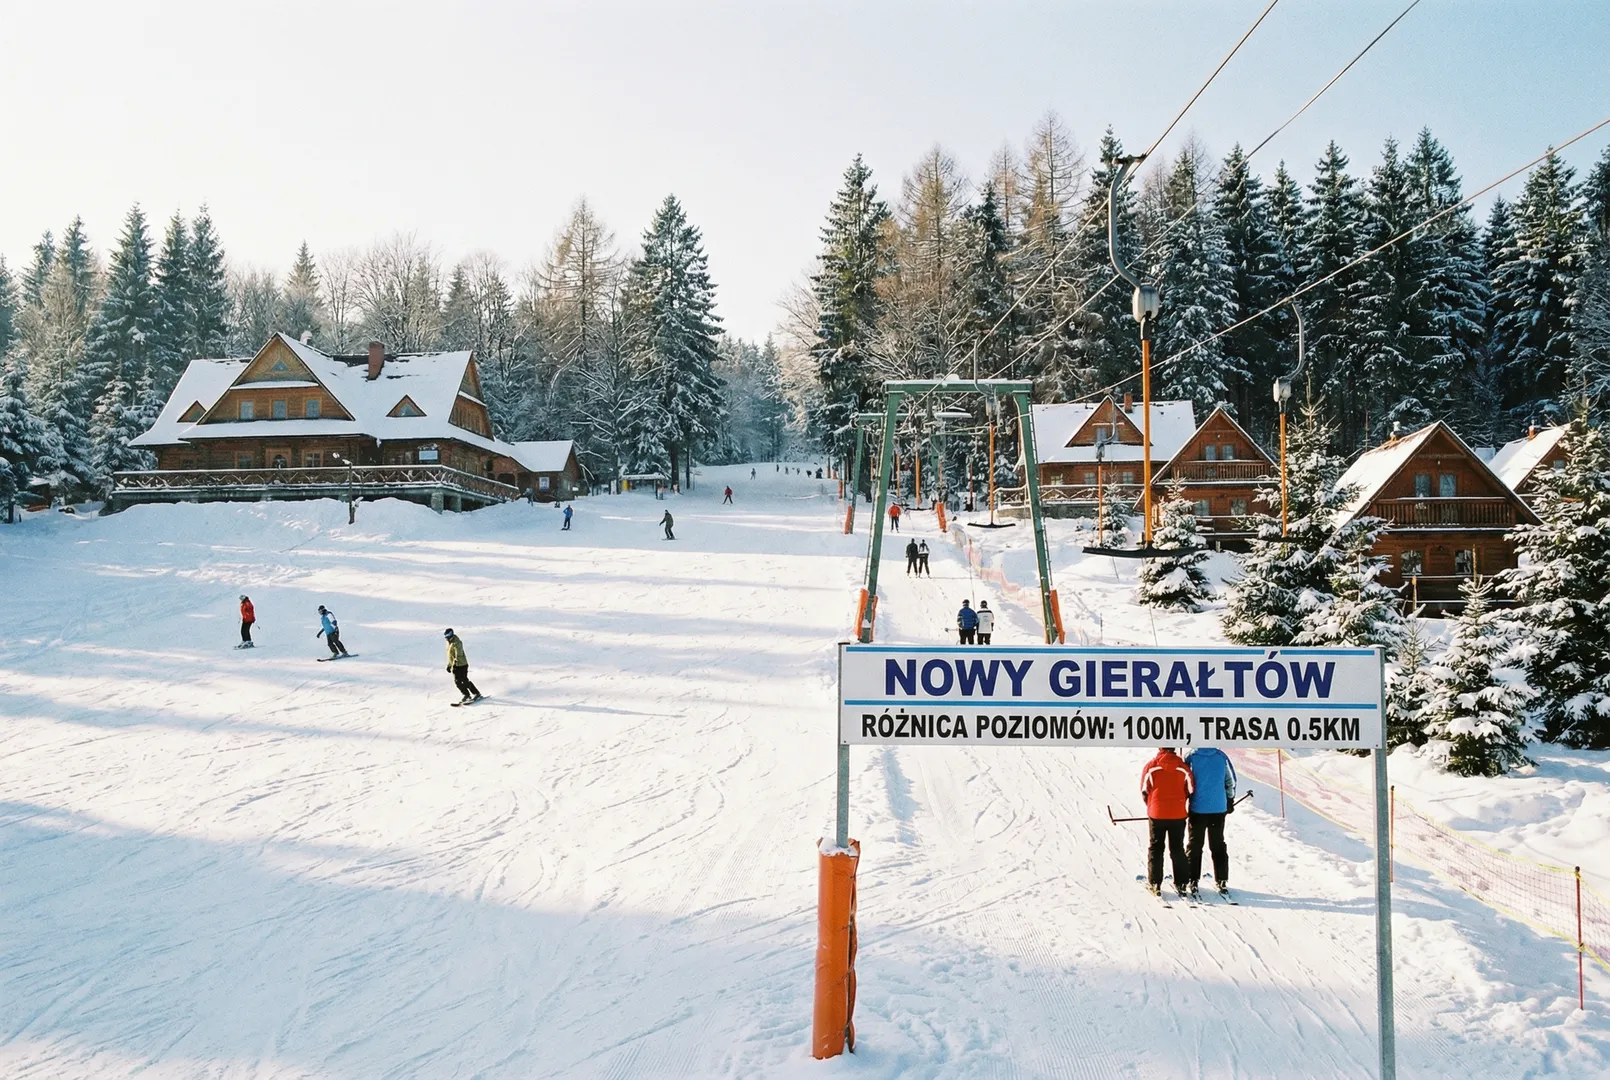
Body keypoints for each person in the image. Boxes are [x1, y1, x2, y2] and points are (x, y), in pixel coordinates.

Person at [1141, 747, 1195, 897]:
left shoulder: (1151, 766)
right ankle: (1182, 882)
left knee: (1156, 848)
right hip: (1178, 813)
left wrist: (1152, 804)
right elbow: (1190, 789)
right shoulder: (1183, 767)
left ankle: (1155, 883)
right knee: (1177, 848)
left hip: (1157, 813)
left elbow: (1144, 789)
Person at [1185, 746, 1237, 898]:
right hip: (1218, 808)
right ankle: (1221, 879)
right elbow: (1230, 780)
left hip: (1198, 808)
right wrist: (1229, 799)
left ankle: (1192, 879)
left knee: (1195, 845)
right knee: (1218, 844)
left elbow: (1185, 780)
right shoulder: (1221, 756)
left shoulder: (1191, 756)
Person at [444, 628, 482, 704]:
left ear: (451, 634)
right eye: (445, 635)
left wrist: (455, 663)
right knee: (457, 682)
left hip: (462, 664)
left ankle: (476, 693)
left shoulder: (457, 642)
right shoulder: (449, 643)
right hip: (455, 665)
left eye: (447, 635)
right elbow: (450, 656)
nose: (446, 637)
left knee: (464, 680)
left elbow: (459, 654)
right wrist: (449, 665)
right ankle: (466, 695)